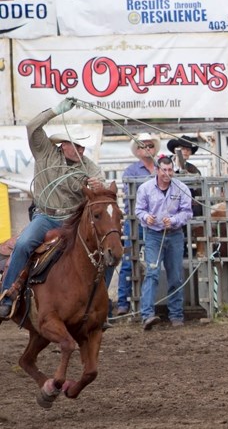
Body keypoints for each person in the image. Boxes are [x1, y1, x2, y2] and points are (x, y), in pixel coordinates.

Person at [0, 99, 107, 319]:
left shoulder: (89, 167)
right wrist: (55, 111)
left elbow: (101, 186)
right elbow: (32, 127)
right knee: (23, 244)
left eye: (82, 146)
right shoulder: (45, 152)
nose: (79, 150)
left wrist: (99, 187)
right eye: (75, 145)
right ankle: (7, 295)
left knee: (107, 252)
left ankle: (101, 304)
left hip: (73, 220)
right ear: (63, 144)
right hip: (45, 216)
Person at [135, 156, 194, 330]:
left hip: (174, 234)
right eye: (164, 170)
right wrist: (147, 217)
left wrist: (174, 220)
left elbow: (187, 212)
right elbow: (139, 210)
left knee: (175, 275)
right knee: (152, 273)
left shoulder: (181, 188)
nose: (167, 174)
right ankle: (147, 315)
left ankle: (176, 315)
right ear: (157, 170)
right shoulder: (145, 188)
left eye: (170, 170)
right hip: (154, 235)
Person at [116, 133, 160, 316]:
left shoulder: (160, 168)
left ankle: (150, 302)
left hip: (156, 222)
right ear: (138, 150)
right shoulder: (131, 171)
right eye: (143, 146)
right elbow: (130, 196)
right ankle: (122, 303)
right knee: (128, 261)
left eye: (150, 146)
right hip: (136, 220)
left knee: (156, 262)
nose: (147, 149)